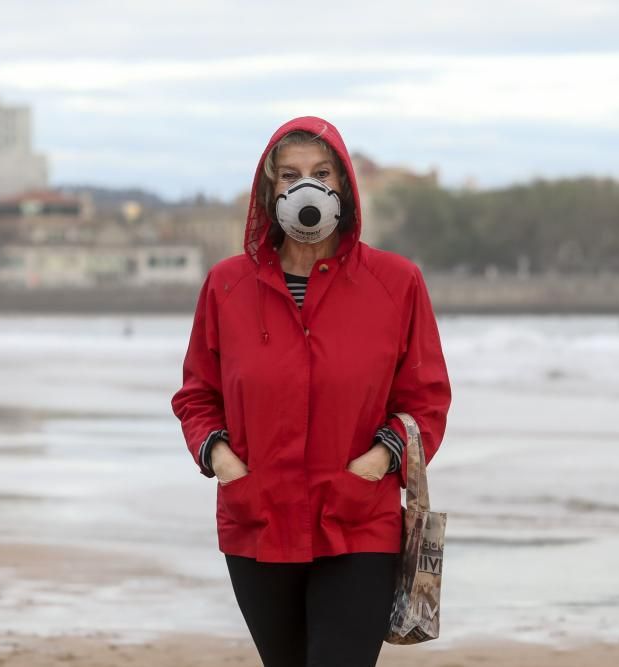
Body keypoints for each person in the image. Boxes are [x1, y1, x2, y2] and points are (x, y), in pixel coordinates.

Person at [171, 117, 451, 667]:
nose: (308, 186)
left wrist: (376, 463)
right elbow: (197, 395)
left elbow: (425, 398)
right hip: (259, 519)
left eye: (322, 173)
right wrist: (223, 460)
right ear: (269, 189)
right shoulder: (227, 286)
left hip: (358, 520)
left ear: (343, 186)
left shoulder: (396, 283)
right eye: (291, 174)